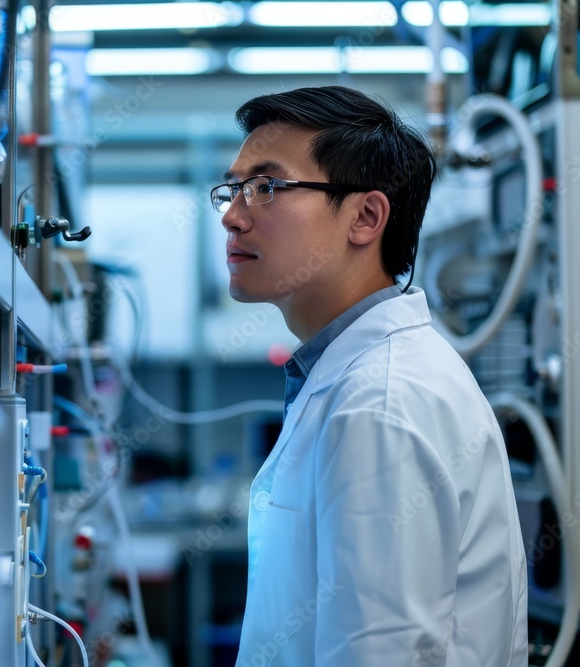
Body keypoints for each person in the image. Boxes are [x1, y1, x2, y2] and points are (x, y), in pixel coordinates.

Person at [211, 86, 528, 666]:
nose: (233, 215)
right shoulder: (357, 380)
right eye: (233, 189)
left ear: (365, 216)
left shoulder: (379, 403)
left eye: (267, 187)